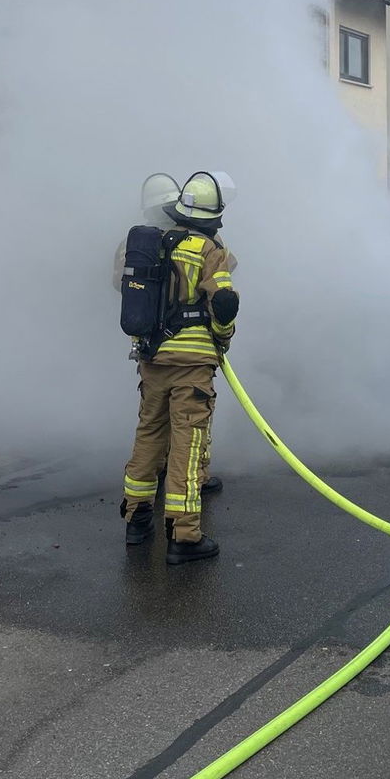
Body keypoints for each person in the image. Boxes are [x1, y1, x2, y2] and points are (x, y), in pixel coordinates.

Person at [119, 170, 240, 565]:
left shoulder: (158, 242)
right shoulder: (208, 249)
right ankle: (184, 536)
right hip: (191, 363)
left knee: (149, 434)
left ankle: (137, 520)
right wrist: (223, 337)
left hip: (152, 357)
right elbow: (223, 303)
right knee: (187, 444)